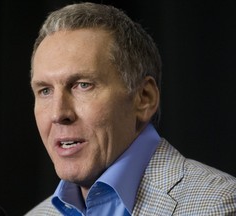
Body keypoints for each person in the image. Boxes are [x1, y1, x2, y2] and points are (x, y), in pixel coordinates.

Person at [25, 2, 236, 215]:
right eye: (45, 91)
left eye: (83, 85)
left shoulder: (218, 204)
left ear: (144, 97)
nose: (58, 113)